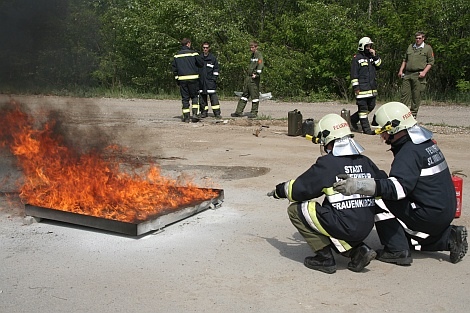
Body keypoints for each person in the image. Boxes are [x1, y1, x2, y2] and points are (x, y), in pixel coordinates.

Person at [333, 102, 467, 266]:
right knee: (409, 238)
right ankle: (448, 238)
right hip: (442, 209)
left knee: (378, 198)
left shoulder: (408, 152)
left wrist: (359, 185)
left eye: (383, 131)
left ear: (394, 128)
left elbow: (398, 189)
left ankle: (396, 251)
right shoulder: (426, 143)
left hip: (429, 214)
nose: (382, 137)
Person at [268, 113, 387, 274]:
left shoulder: (328, 164)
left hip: (346, 226)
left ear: (327, 139)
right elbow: (383, 185)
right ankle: (358, 251)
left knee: (297, 210)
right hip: (365, 224)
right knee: (330, 213)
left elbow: (300, 190)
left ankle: (324, 258)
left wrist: (279, 190)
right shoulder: (365, 161)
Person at [397, 31, 435, 118]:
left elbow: (431, 62)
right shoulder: (410, 47)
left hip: (418, 74)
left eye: (419, 38)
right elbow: (405, 60)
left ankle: (413, 114)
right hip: (407, 74)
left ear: (423, 38)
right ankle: (401, 114)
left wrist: (424, 72)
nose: (417, 40)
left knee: (416, 95)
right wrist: (400, 70)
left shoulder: (427, 48)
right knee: (404, 94)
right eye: (416, 38)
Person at [350, 36, 382, 135]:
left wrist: (375, 56)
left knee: (371, 106)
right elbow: (354, 75)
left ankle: (353, 119)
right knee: (363, 110)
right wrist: (356, 87)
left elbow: (379, 66)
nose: (369, 48)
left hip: (371, 89)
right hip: (362, 89)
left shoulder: (371, 58)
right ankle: (367, 130)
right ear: (362, 46)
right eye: (367, 46)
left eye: (370, 46)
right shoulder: (357, 59)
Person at [172, 38, 204, 123]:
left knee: (185, 98)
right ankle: (195, 114)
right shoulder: (194, 53)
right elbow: (201, 63)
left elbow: (174, 70)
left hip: (182, 80)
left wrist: (177, 80)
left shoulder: (177, 55)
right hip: (193, 79)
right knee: (194, 97)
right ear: (188, 44)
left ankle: (186, 117)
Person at [231, 41, 264, 118]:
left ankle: (254, 112)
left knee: (254, 96)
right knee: (244, 95)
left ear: (256, 47)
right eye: (250, 47)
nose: (251, 49)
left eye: (252, 47)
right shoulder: (252, 56)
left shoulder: (259, 55)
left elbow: (260, 65)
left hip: (254, 79)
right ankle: (238, 111)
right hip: (248, 78)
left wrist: (256, 74)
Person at [198, 42, 221, 118]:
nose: (205, 49)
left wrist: (214, 79)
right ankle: (204, 112)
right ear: (202, 48)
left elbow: (216, 69)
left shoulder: (212, 58)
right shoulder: (199, 58)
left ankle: (217, 113)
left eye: (207, 48)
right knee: (202, 99)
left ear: (209, 48)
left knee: (214, 98)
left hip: (210, 82)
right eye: (204, 47)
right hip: (201, 82)